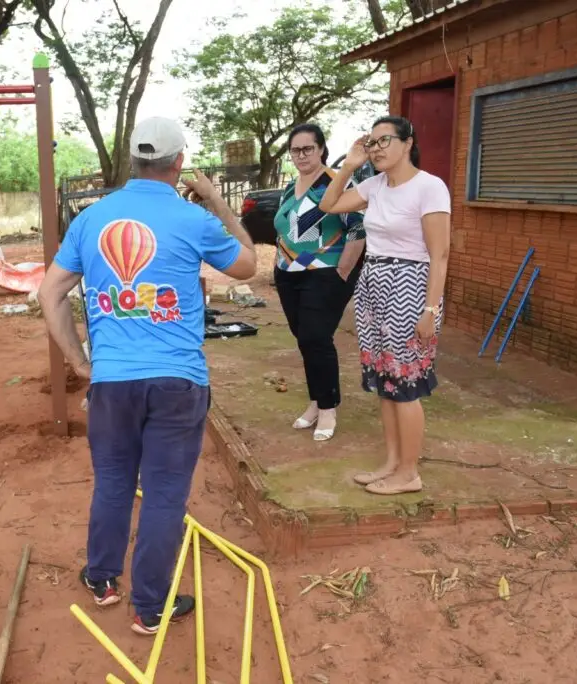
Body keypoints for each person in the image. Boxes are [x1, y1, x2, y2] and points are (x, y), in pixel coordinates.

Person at [38, 117, 257, 635]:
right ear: (179, 163)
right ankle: (150, 607)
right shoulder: (192, 218)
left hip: (112, 382)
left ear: (132, 161)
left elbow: (50, 294)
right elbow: (248, 263)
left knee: (113, 483)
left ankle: (102, 580)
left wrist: (80, 364)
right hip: (178, 383)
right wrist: (216, 200)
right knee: (164, 494)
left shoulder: (91, 219)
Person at [319, 116, 451, 495]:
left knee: (405, 381)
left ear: (408, 142)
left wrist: (430, 310)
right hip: (373, 282)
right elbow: (329, 204)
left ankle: (409, 473)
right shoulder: (373, 186)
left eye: (384, 141)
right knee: (385, 379)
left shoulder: (429, 187)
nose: (376, 148)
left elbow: (439, 255)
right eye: (371, 142)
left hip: (410, 286)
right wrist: (348, 165)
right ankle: (393, 463)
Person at [273, 123, 366, 441]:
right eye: (295, 150)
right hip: (287, 274)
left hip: (325, 273)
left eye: (307, 148)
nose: (301, 155)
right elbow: (284, 228)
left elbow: (357, 228)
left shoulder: (335, 182)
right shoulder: (289, 186)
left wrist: (343, 270)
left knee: (316, 337)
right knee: (305, 339)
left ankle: (328, 408)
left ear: (321, 149)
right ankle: (315, 401)